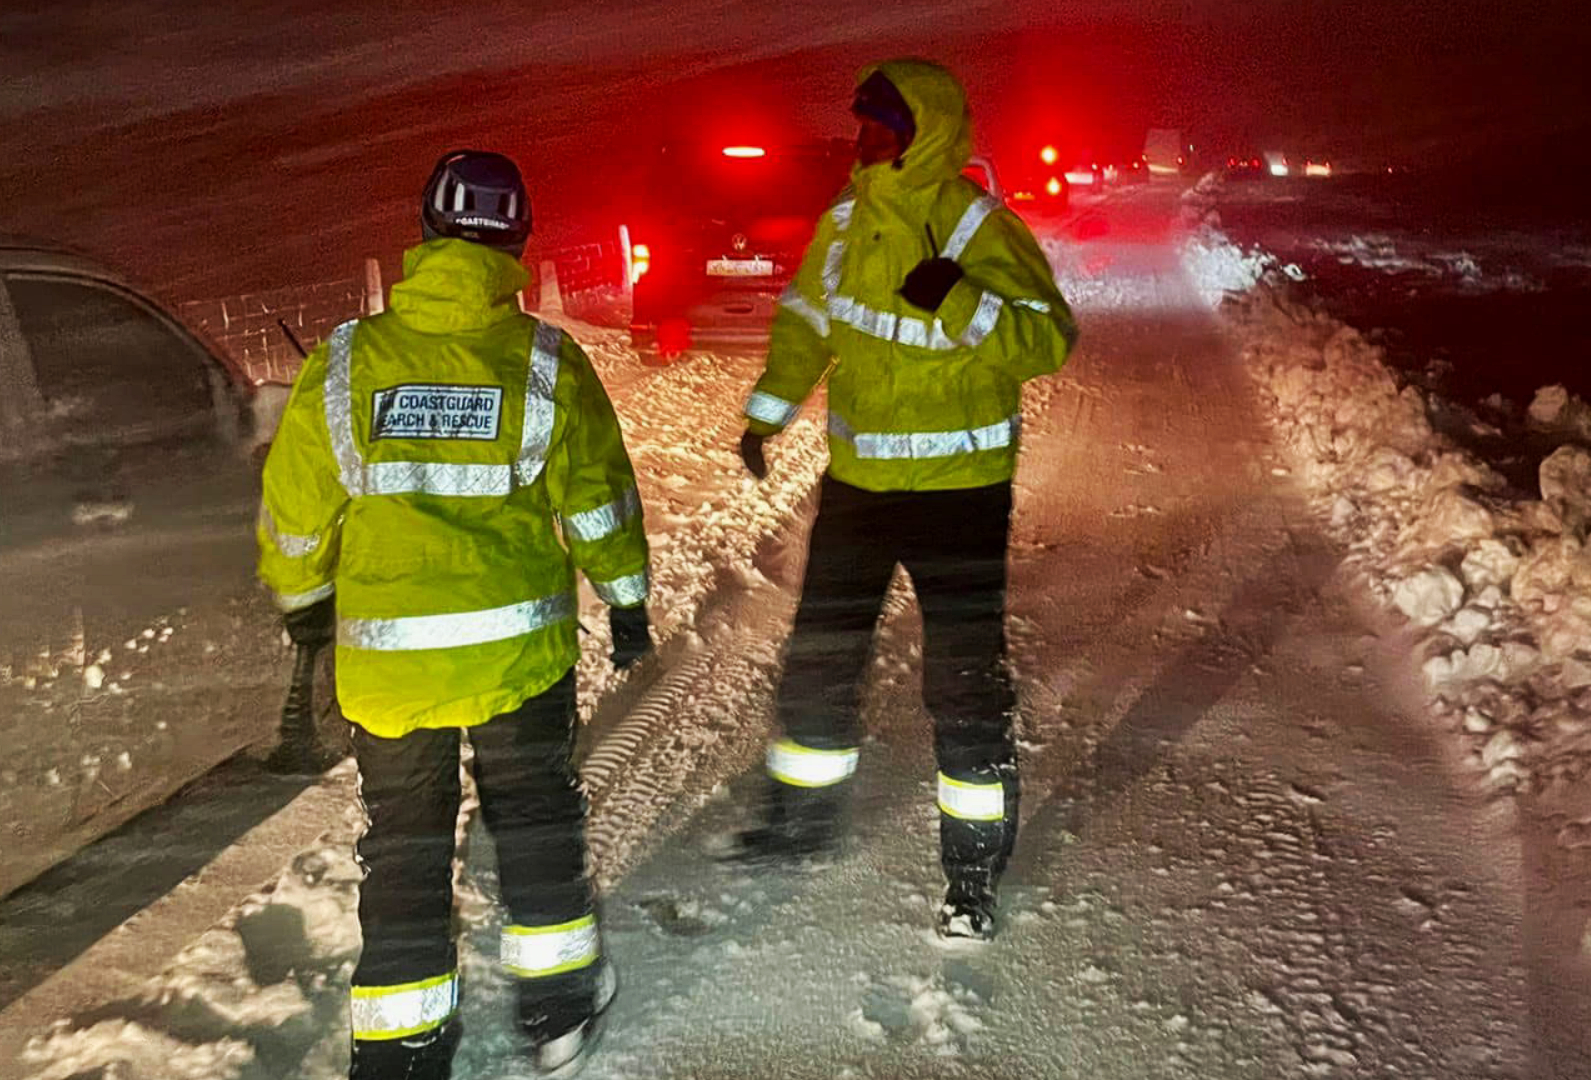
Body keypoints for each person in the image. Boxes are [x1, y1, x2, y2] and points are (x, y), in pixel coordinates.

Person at [258, 149, 653, 1079]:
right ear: (517, 241)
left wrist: (308, 606)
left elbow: (295, 512)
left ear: (427, 235)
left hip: (391, 672)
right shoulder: (546, 362)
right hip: (518, 664)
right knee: (535, 821)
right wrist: (627, 599)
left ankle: (401, 1048)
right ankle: (556, 1012)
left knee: (404, 844)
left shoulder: (346, 362)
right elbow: (600, 498)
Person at [731, 60, 1077, 941]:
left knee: (963, 683)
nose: (866, 141)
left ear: (924, 130)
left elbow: (1047, 338)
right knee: (821, 653)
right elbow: (807, 322)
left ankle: (972, 874)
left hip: (960, 495)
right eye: (862, 126)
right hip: (859, 487)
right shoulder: (843, 225)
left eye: (883, 126)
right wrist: (766, 415)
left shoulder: (975, 224)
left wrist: (960, 299)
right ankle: (799, 820)